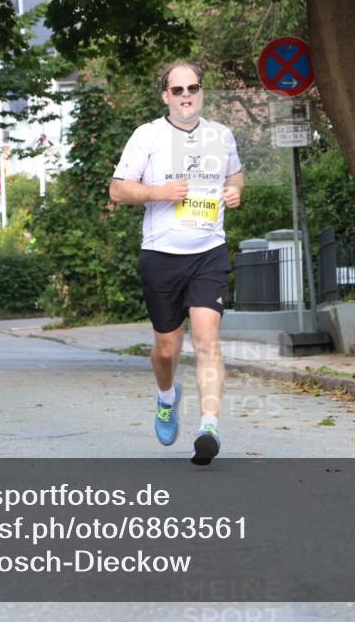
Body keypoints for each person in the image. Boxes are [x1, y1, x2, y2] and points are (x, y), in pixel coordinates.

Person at [109, 61, 244, 466]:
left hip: (209, 252)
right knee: (167, 348)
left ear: (202, 92)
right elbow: (117, 190)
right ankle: (167, 396)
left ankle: (209, 427)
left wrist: (235, 192)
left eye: (194, 88)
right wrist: (158, 192)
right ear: (165, 96)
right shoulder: (147, 136)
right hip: (161, 256)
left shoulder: (221, 135)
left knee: (207, 340)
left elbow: (236, 177)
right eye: (178, 89)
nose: (187, 95)